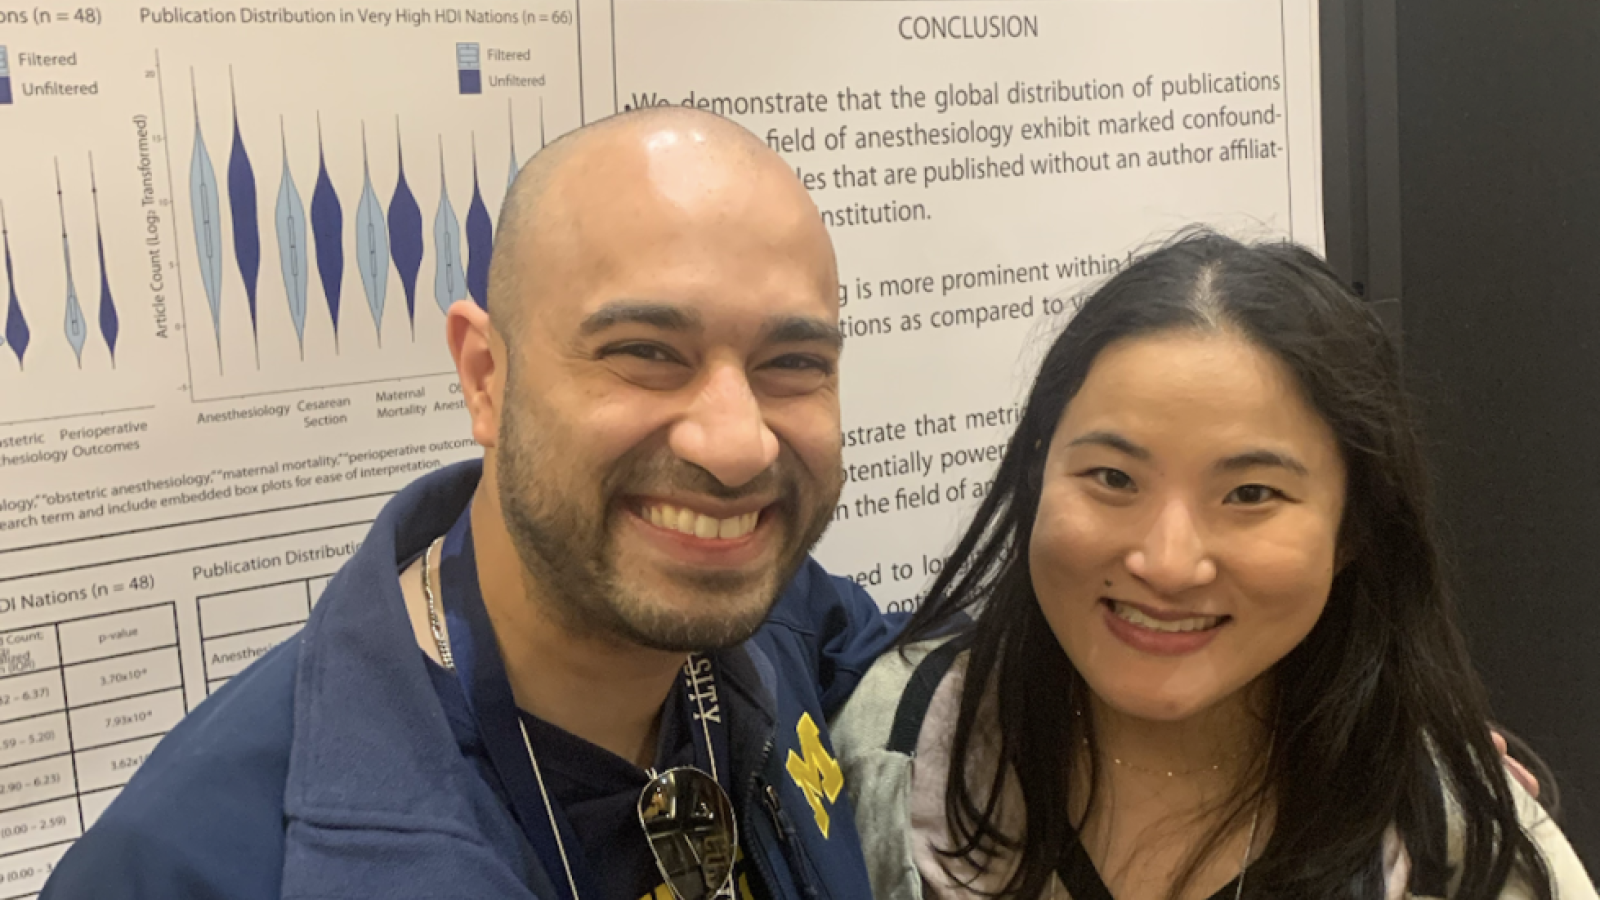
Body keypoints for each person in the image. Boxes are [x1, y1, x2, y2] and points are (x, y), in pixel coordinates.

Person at [41, 108, 902, 900]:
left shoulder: (776, 622)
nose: (737, 443)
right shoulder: (194, 864)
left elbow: (912, 670)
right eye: (646, 351)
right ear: (486, 379)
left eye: (793, 363)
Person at [831, 232, 1595, 900]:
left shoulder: (1445, 828)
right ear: (1036, 475)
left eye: (1251, 493)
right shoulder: (903, 742)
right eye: (1113, 479)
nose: (1166, 564)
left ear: (1353, 525)